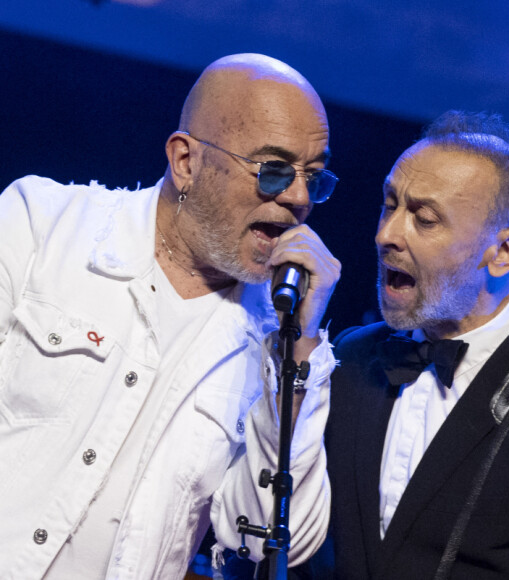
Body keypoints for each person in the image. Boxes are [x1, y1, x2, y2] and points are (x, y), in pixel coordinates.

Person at [0, 53, 341, 579]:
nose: (297, 198)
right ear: (186, 161)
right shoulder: (43, 226)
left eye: (313, 178)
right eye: (273, 171)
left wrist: (299, 351)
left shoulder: (281, 341)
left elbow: (269, 539)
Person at [296, 111, 509, 579]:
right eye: (390, 205)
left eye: (424, 219)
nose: (386, 235)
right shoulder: (351, 358)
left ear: (505, 251)